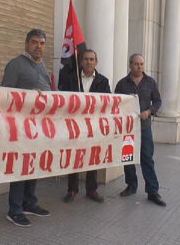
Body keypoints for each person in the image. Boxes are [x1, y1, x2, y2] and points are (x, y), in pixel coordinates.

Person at [1, 29, 51, 227]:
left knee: (34, 166)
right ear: (26, 43)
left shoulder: (43, 65)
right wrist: (26, 95)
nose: (38, 46)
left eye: (41, 43)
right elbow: (5, 95)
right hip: (20, 128)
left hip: (39, 127)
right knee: (20, 168)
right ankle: (15, 210)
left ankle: (30, 203)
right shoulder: (15, 65)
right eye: (34, 42)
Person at [58, 49, 111, 204]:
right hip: (74, 126)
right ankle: (72, 190)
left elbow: (108, 102)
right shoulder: (70, 79)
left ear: (96, 62)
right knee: (74, 157)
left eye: (92, 59)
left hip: (93, 126)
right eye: (86, 59)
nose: (89, 62)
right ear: (81, 61)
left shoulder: (103, 81)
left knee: (92, 157)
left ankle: (91, 190)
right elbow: (63, 99)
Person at [115, 53, 166, 207]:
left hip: (144, 127)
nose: (139, 67)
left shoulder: (150, 82)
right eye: (136, 64)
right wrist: (125, 100)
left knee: (147, 158)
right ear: (130, 65)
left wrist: (149, 111)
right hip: (128, 128)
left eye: (141, 64)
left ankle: (152, 191)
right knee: (128, 157)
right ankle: (131, 185)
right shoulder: (122, 84)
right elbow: (115, 103)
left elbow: (157, 101)